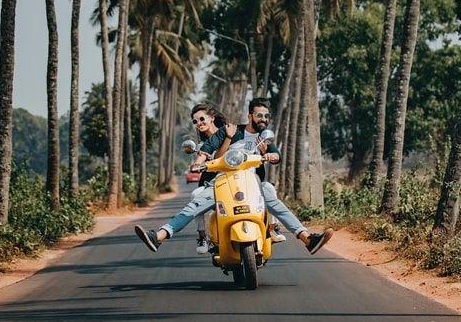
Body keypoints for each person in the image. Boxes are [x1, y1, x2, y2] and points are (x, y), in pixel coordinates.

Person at [134, 98, 333, 255]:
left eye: (265, 116)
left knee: (273, 198)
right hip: (221, 183)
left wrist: (272, 155)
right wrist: (197, 162)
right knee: (194, 205)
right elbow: (207, 150)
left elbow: (275, 154)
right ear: (250, 116)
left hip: (251, 182)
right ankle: (159, 236)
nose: (262, 119)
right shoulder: (227, 132)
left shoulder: (261, 137)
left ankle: (307, 238)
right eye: (259, 115)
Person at [187, 102, 231, 254]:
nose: (199, 123)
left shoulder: (230, 134)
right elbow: (198, 162)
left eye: (201, 119)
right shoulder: (202, 146)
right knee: (195, 195)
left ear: (212, 118)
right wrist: (196, 165)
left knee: (263, 189)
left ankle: (270, 230)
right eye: (195, 121)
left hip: (235, 181)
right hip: (213, 184)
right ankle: (202, 237)